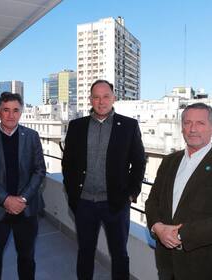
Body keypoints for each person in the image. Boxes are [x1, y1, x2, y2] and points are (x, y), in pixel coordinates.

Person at [145, 102, 212, 280]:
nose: (192, 129)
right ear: (182, 127)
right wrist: (157, 227)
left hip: (200, 266)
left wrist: (181, 234)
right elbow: (152, 202)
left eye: (200, 123)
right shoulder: (169, 161)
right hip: (166, 262)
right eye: (187, 123)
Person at [62, 79, 146, 280]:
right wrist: (73, 194)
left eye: (106, 96)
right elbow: (68, 164)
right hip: (84, 203)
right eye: (96, 97)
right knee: (85, 253)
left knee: (119, 255)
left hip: (116, 204)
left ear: (114, 98)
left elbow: (139, 162)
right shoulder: (76, 126)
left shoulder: (128, 126)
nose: (101, 101)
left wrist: (131, 194)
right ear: (90, 99)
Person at [0, 92, 46, 280]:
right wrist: (6, 199)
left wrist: (22, 199)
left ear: (21, 112)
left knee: (27, 258)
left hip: (26, 209)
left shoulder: (32, 136)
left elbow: (39, 170)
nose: (11, 115)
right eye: (6, 110)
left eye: (15, 110)